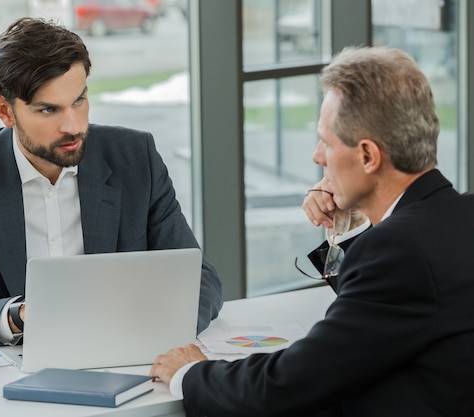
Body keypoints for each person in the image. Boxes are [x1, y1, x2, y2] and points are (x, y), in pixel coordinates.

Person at [150, 46, 474, 416]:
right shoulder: (456, 218)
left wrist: (191, 372)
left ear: (368, 156)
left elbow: (286, 386)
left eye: (326, 141)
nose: (317, 156)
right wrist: (350, 228)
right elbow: (379, 320)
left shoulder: (400, 253)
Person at [0, 17, 223, 348]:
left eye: (79, 101)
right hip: (6, 381)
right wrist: (20, 316)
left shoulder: (134, 159)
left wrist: (148, 333)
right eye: (48, 110)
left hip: (125, 358)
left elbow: (201, 281)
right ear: (5, 112)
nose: (72, 126)